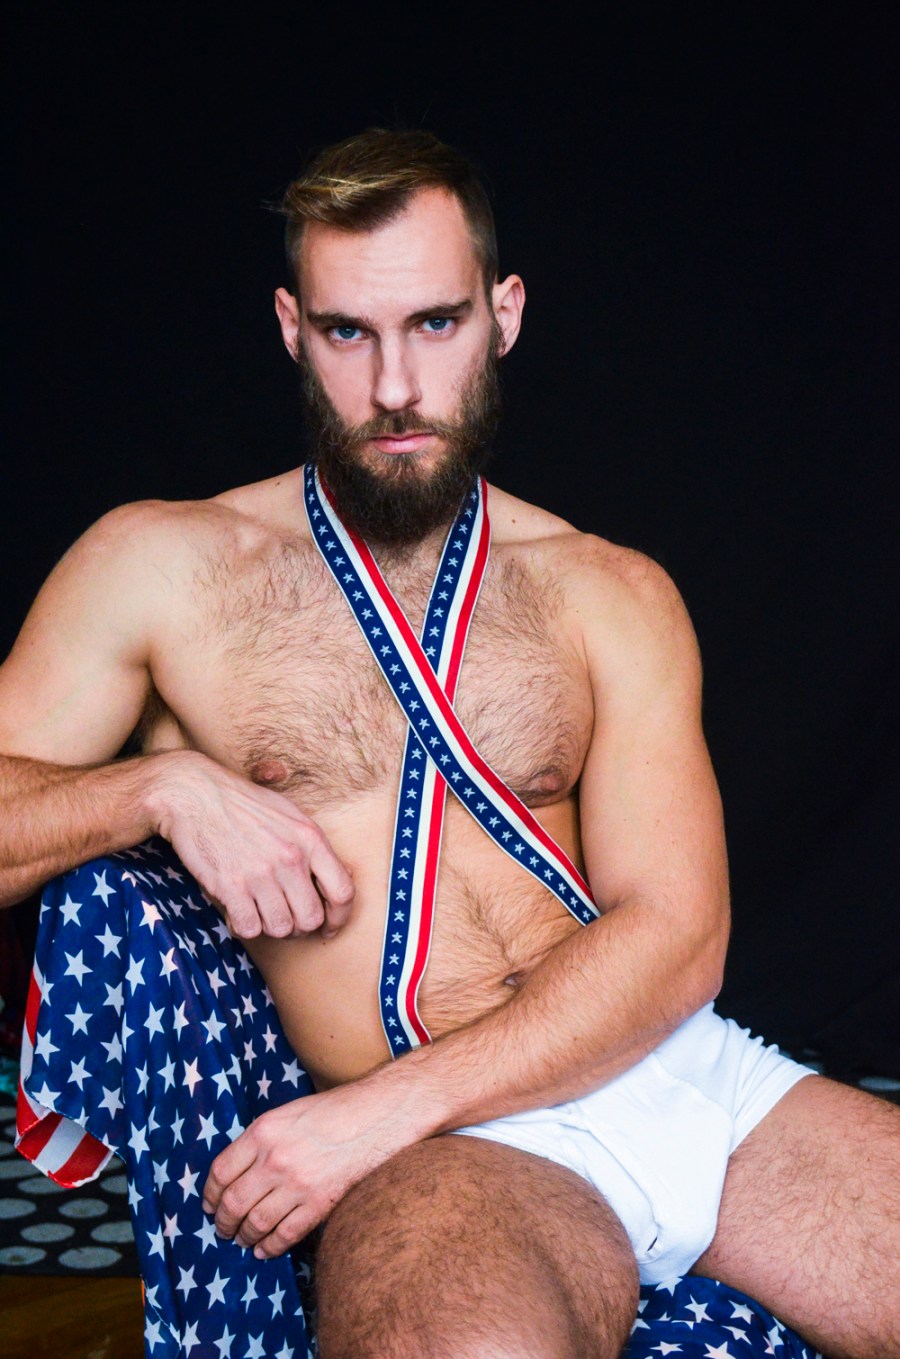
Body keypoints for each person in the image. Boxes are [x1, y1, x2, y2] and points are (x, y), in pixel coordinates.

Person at [0, 128, 896, 1359]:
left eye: (435, 324)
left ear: (503, 314)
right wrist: (156, 789)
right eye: (347, 332)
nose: (394, 387)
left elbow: (678, 935)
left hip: (684, 1086)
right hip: (453, 1154)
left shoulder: (611, 591)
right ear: (290, 327)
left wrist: (370, 1117)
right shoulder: (160, 567)